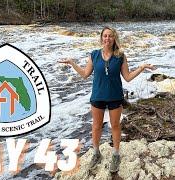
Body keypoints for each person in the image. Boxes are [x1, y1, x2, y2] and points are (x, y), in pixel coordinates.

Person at [59, 26, 155, 173]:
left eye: (110, 36)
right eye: (105, 36)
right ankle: (96, 153)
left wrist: (141, 67)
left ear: (114, 38)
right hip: (97, 96)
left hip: (115, 97)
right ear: (101, 38)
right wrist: (72, 63)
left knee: (115, 126)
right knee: (96, 126)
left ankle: (116, 154)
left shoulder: (120, 56)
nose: (107, 39)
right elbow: (85, 74)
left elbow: (127, 77)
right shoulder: (94, 55)